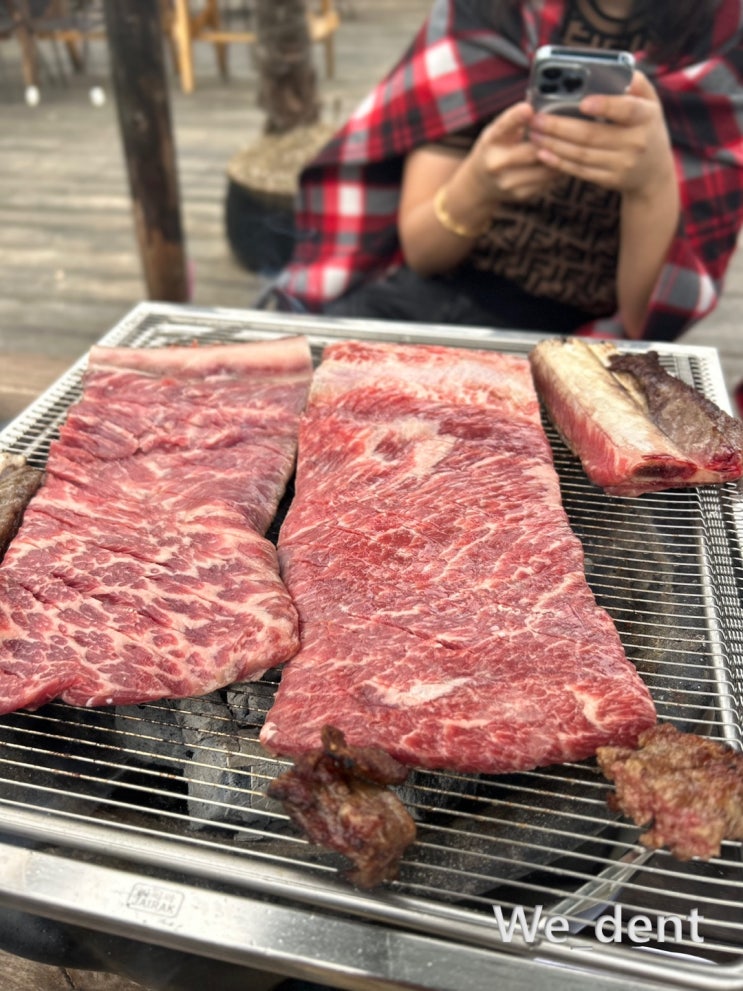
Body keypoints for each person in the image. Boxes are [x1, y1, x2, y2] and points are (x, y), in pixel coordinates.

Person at [275, 0, 743, 341]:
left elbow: (647, 325)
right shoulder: (487, 12)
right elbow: (422, 254)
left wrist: (650, 182)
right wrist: (479, 185)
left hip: (576, 345)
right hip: (427, 298)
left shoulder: (725, 45)